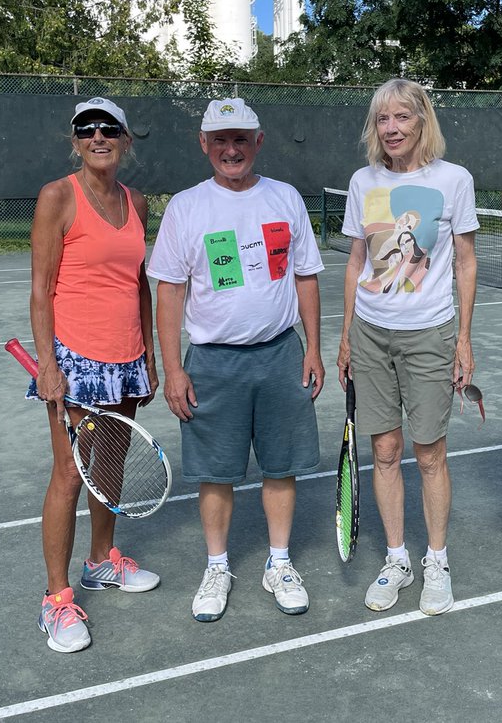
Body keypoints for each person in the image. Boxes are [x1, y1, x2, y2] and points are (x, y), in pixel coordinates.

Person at [150, 97, 324, 623]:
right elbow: (169, 292)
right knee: (216, 474)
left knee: (281, 466)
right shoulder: (185, 207)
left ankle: (278, 562)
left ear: (258, 142)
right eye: (220, 140)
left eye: (241, 139)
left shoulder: (286, 198)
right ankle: (218, 566)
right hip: (211, 362)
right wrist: (175, 368)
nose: (232, 149)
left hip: (279, 354)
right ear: (204, 144)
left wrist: (312, 346)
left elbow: (306, 276)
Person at [336, 78, 478, 616]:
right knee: (385, 452)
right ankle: (397, 557)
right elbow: (355, 262)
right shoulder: (361, 181)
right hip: (371, 335)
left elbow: (465, 261)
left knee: (430, 453)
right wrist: (347, 334)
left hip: (431, 334)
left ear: (422, 120)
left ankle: (435, 559)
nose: (391, 128)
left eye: (402, 117)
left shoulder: (453, 180)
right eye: (382, 120)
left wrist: (463, 338)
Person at [27, 96, 161, 653]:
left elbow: (139, 284)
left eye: (110, 129)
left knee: (108, 468)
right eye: (88, 130)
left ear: (126, 141)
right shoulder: (58, 197)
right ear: (75, 140)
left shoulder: (138, 201)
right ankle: (56, 601)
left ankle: (102, 562)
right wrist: (49, 367)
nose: (99, 137)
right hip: (74, 359)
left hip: (125, 356)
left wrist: (149, 356)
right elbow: (40, 290)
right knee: (68, 473)